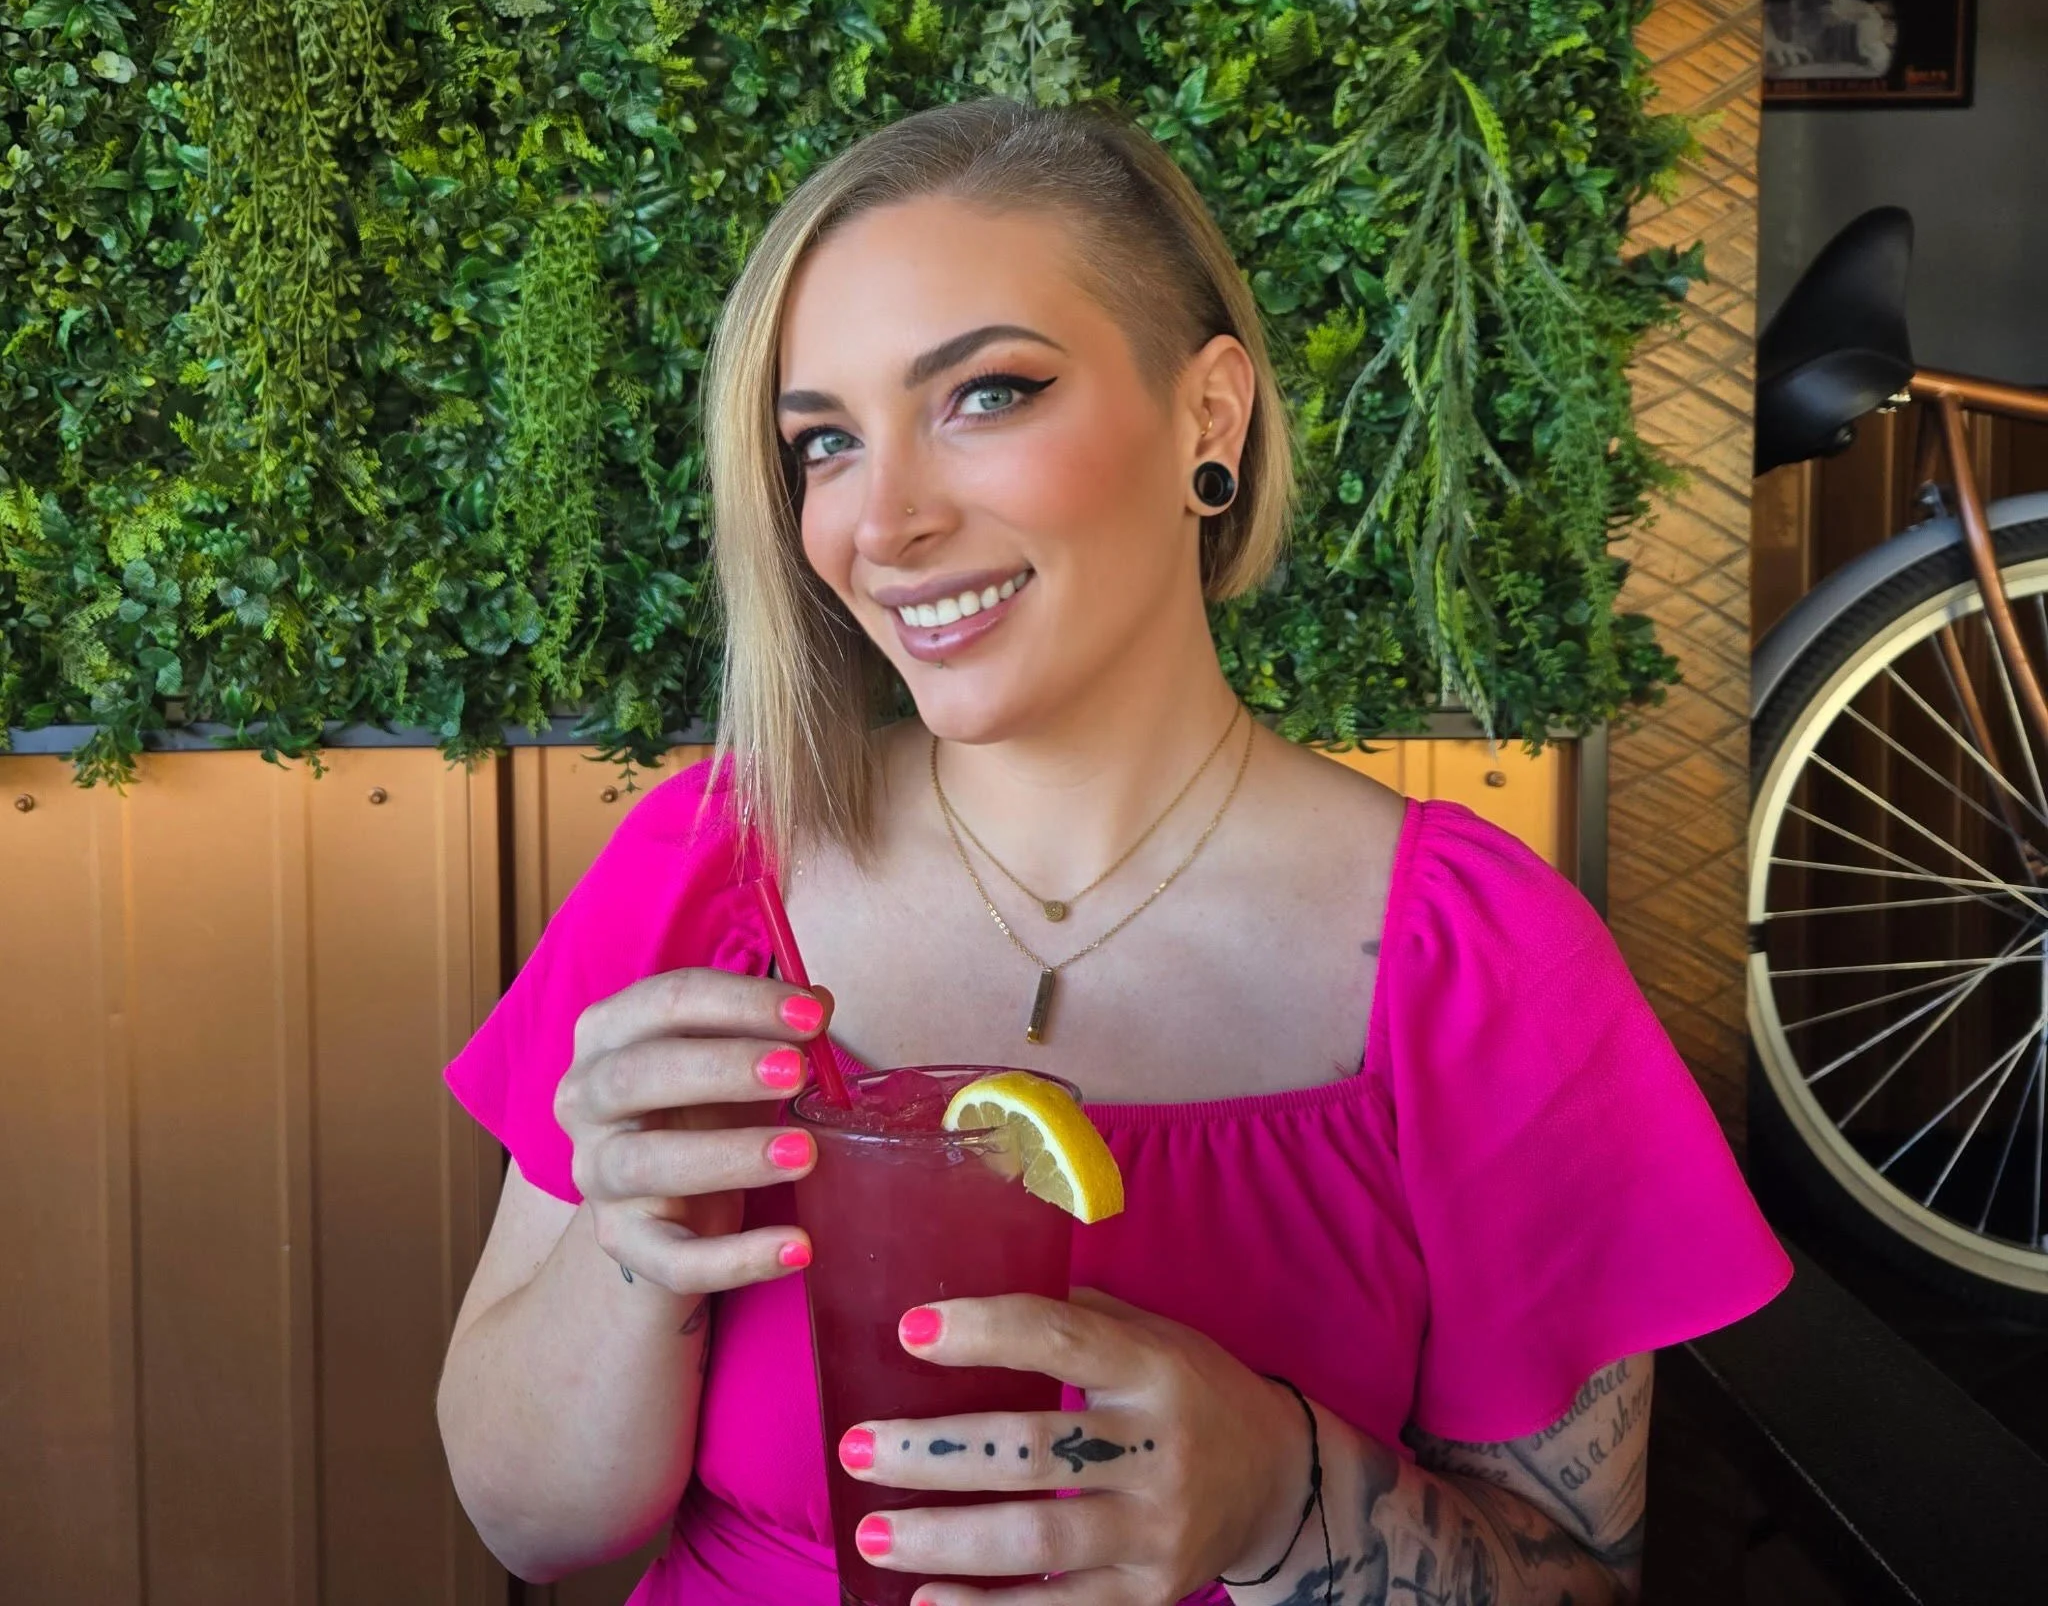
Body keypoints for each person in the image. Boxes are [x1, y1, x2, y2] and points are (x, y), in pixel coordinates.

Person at [436, 100, 1791, 1606]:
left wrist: (1289, 1497)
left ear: (1209, 417)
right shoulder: (707, 870)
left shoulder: (1472, 956)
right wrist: (631, 1247)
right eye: (822, 442)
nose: (880, 521)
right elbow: (530, 1527)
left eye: (987, 395)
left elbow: (1587, 1583)